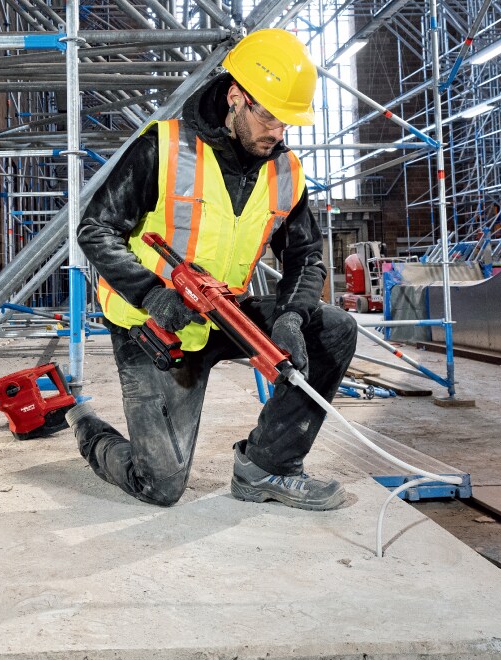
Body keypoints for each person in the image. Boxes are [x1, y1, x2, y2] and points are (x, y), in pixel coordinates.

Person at [66, 29, 358, 510]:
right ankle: (87, 428)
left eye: (289, 123)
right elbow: (96, 229)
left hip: (225, 313)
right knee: (160, 486)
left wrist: (290, 317)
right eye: (270, 117)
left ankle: (268, 468)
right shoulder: (161, 148)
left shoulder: (286, 170)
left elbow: (305, 255)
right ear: (236, 98)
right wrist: (152, 294)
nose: (279, 133)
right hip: (154, 328)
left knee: (334, 329)